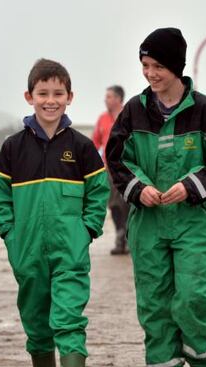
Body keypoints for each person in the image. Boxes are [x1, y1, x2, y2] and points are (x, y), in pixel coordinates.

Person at [106, 28, 206, 367]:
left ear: (177, 67)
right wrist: (137, 189)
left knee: (193, 295)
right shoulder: (133, 110)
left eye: (158, 66)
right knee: (155, 303)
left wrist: (191, 186)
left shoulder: (204, 110)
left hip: (192, 221)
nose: (150, 73)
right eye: (145, 66)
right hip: (147, 223)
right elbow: (116, 159)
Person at [0, 58, 109, 367]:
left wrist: (87, 229)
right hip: (27, 252)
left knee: (69, 316)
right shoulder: (12, 148)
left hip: (69, 250)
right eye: (43, 93)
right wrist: (10, 234)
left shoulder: (82, 146)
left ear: (70, 97)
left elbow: (99, 191)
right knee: (36, 320)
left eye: (58, 93)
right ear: (30, 96)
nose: (50, 100)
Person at [92, 85, 130, 255]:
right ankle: (120, 234)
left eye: (108, 97)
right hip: (109, 169)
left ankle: (130, 237)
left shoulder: (129, 115)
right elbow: (95, 143)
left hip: (129, 167)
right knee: (113, 204)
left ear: (117, 99)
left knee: (128, 202)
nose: (105, 100)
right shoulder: (102, 119)